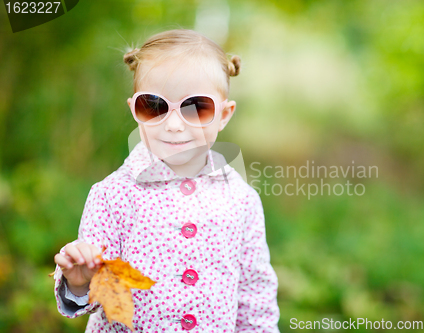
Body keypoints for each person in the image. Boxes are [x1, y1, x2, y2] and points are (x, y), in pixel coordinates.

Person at [52, 29, 280, 332]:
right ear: (134, 109)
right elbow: (97, 295)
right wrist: (79, 282)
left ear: (225, 114)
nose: (173, 125)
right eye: (154, 106)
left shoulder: (241, 199)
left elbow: (255, 296)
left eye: (196, 108)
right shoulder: (112, 196)